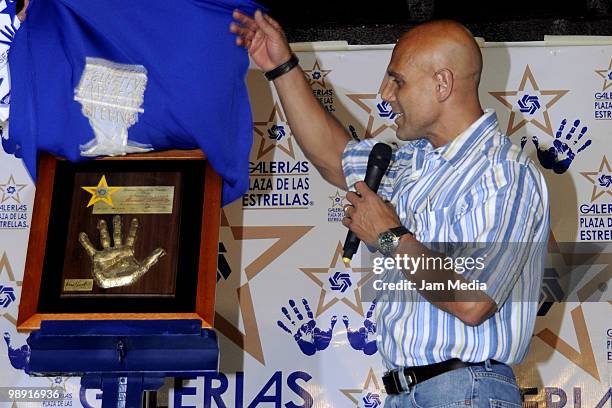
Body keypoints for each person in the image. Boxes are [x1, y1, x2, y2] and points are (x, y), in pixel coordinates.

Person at [231, 11, 548, 408]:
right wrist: (281, 66)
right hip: (408, 391)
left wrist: (390, 237)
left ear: (442, 83)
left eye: (397, 80)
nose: (385, 94)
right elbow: (333, 157)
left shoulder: (504, 173)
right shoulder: (410, 163)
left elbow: (473, 301)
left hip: (467, 390)